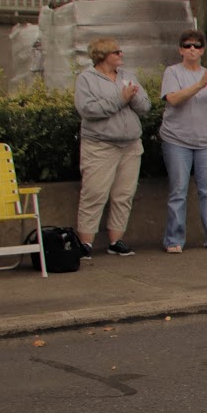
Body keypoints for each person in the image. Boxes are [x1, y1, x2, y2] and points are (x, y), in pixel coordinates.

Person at [74, 36, 151, 257]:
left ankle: (116, 241)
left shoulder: (128, 76)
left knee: (124, 194)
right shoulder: (86, 79)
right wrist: (120, 99)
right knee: (95, 193)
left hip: (130, 145)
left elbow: (145, 105)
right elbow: (88, 110)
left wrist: (132, 98)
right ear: (103, 55)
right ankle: (86, 244)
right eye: (116, 52)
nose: (121, 55)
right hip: (100, 146)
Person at [158, 30, 207, 253]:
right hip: (177, 140)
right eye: (187, 46)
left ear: (202, 50)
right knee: (178, 190)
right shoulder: (173, 72)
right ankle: (174, 240)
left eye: (197, 46)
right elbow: (173, 99)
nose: (192, 50)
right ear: (180, 50)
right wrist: (200, 84)